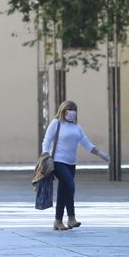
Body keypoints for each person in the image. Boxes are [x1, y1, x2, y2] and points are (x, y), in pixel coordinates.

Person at [40, 99, 106, 231]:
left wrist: (100, 154)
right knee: (70, 186)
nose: (72, 112)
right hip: (58, 161)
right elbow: (46, 140)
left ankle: (58, 221)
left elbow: (86, 143)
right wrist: (45, 154)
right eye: (69, 110)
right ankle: (71, 217)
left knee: (64, 190)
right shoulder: (56, 123)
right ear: (63, 111)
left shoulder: (77, 127)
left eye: (74, 110)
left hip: (71, 163)